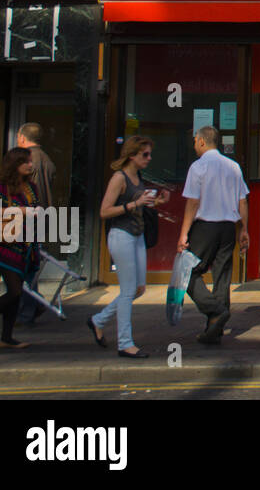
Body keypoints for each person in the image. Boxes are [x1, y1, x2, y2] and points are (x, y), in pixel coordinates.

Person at [89, 136, 169, 358]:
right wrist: (134, 203)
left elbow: (141, 205)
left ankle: (98, 320)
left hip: (137, 235)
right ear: (132, 155)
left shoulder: (137, 175)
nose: (149, 158)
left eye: (150, 154)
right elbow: (104, 211)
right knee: (127, 291)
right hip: (121, 235)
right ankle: (125, 343)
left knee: (138, 289)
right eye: (145, 154)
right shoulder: (119, 178)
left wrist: (158, 202)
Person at [177, 126, 249, 345]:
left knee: (186, 272)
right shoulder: (233, 166)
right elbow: (242, 201)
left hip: (205, 226)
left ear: (201, 141)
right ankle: (214, 330)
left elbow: (193, 202)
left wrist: (183, 233)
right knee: (222, 277)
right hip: (228, 227)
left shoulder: (198, 167)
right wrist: (244, 229)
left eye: (194, 141)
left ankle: (215, 311)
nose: (194, 145)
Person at [0, 148, 38, 349]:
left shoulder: (31, 188)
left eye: (30, 161)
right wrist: (20, 210)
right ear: (15, 164)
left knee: (18, 292)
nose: (30, 165)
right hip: (3, 244)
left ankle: (7, 337)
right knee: (14, 292)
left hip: (24, 245)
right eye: (26, 162)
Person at [14, 123, 54, 324]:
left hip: (29, 221)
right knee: (28, 266)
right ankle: (34, 304)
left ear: (22, 137)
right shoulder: (45, 158)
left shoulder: (27, 160)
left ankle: (27, 311)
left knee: (23, 267)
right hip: (40, 219)